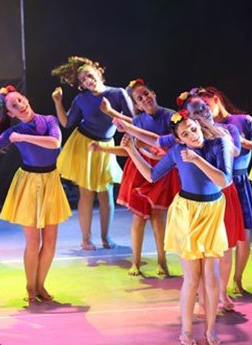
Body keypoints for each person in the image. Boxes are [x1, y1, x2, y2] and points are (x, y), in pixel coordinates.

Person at [120, 110, 230, 345]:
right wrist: (132, 150)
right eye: (185, 134)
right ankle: (186, 331)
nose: (192, 134)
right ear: (179, 139)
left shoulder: (218, 142)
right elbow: (151, 175)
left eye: (193, 129)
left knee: (211, 277)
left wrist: (197, 159)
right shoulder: (178, 151)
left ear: (198, 125)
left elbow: (224, 181)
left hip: (212, 212)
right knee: (192, 277)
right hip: (186, 212)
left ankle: (211, 329)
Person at [0, 85, 71, 303]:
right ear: (10, 113)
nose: (19, 105)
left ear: (26, 99)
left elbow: (55, 143)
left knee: (50, 241)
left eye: (20, 100)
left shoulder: (48, 120)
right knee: (33, 241)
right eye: (13, 105)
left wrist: (23, 138)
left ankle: (40, 285)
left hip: (51, 182)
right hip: (29, 184)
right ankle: (30, 287)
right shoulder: (12, 133)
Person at [93, 78, 179, 276]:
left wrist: (147, 147)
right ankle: (136, 262)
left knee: (157, 217)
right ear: (137, 106)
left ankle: (162, 261)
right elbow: (128, 149)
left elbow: (174, 147)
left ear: (153, 94)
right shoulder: (138, 121)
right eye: (139, 98)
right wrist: (102, 149)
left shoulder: (170, 117)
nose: (145, 98)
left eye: (146, 94)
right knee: (138, 218)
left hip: (162, 171)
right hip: (139, 170)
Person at [51, 56, 133, 250]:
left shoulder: (118, 93)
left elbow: (133, 121)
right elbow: (67, 123)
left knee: (106, 193)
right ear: (81, 85)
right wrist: (58, 102)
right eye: (82, 80)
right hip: (84, 145)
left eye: (89, 75)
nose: (87, 80)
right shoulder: (81, 99)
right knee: (86, 193)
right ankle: (86, 239)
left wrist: (111, 112)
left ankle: (106, 237)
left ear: (98, 72)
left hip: (106, 146)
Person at [197, 86, 252, 296]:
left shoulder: (243, 121)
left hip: (239, 182)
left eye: (207, 104)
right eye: (201, 107)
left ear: (217, 99)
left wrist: (244, 142)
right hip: (217, 184)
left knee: (243, 236)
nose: (205, 110)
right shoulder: (205, 126)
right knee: (220, 239)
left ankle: (237, 280)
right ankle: (214, 285)